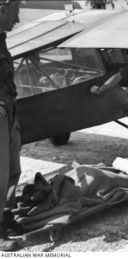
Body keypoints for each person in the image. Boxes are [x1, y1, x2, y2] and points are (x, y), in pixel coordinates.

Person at [0, 0, 21, 251]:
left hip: (10, 109)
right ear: (2, 8)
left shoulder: (2, 38)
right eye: (16, 12)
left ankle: (6, 218)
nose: (18, 19)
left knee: (12, 170)